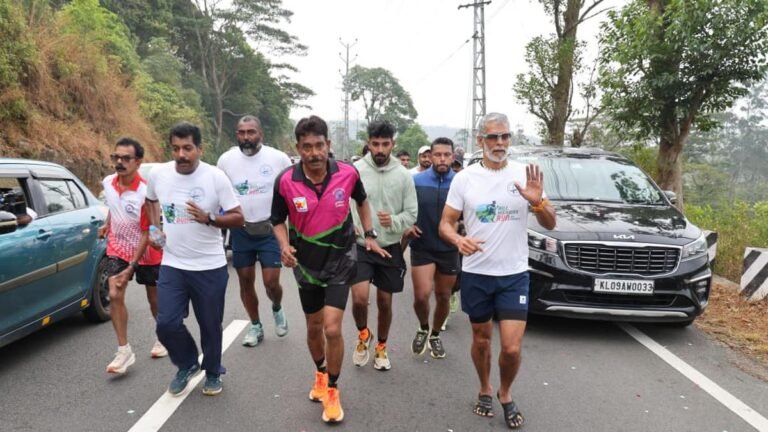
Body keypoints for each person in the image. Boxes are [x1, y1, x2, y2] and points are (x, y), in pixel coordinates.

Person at [439, 113, 555, 429]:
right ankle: (484, 388)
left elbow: (551, 223)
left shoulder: (525, 175)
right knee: (480, 341)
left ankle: (505, 392)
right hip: (477, 273)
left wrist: (538, 204)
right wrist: (457, 239)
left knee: (512, 347)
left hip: (514, 274)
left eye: (505, 137)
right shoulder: (465, 179)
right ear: (481, 141)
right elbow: (445, 223)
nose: (500, 143)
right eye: (493, 137)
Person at [270, 115, 387, 423]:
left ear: (328, 144)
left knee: (332, 327)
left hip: (341, 260)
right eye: (307, 147)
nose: (314, 153)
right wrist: (284, 246)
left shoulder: (347, 174)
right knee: (313, 328)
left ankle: (333, 389)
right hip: (306, 266)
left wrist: (370, 233)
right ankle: (320, 372)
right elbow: (276, 221)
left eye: (319, 145)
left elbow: (362, 202)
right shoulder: (285, 180)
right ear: (298, 148)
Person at [146, 122, 244, 397]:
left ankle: (212, 371)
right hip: (173, 264)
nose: (182, 155)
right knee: (166, 323)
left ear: (200, 149)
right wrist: (155, 229)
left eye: (188, 148)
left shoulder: (215, 178)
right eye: (176, 148)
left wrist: (210, 218)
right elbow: (150, 200)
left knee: (210, 325)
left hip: (209, 266)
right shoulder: (158, 174)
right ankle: (188, 363)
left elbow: (239, 217)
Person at [217, 115, 292, 346]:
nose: (246, 137)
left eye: (251, 132)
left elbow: (293, 190)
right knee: (245, 280)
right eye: (242, 132)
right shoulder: (226, 160)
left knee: (271, 282)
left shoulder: (279, 159)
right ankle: (256, 326)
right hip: (242, 230)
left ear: (261, 134)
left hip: (270, 228)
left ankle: (277, 307)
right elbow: (218, 193)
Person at [350, 120, 417, 371]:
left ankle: (381, 345)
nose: (380, 149)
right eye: (375, 144)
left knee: (385, 302)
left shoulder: (403, 175)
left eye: (385, 144)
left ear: (393, 144)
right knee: (359, 299)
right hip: (361, 245)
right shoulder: (355, 170)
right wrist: (353, 224)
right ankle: (363, 335)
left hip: (389, 246)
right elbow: (345, 203)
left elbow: (411, 214)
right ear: (368, 144)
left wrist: (395, 221)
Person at [100, 137, 166, 375]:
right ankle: (124, 351)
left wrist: (133, 265)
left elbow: (147, 231)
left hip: (147, 247)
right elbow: (114, 206)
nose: (119, 162)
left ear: (138, 162)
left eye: (126, 158)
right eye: (116, 157)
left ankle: (163, 334)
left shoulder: (145, 193)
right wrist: (108, 224)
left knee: (155, 299)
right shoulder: (108, 182)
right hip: (118, 247)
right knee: (115, 292)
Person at [404, 138, 459, 359]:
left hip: (449, 248)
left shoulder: (460, 182)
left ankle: (435, 335)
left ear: (453, 157)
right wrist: (408, 224)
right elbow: (406, 208)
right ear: (430, 156)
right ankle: (423, 327)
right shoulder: (416, 181)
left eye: (447, 155)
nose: (442, 159)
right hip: (422, 245)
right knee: (421, 295)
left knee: (444, 296)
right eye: (438, 154)